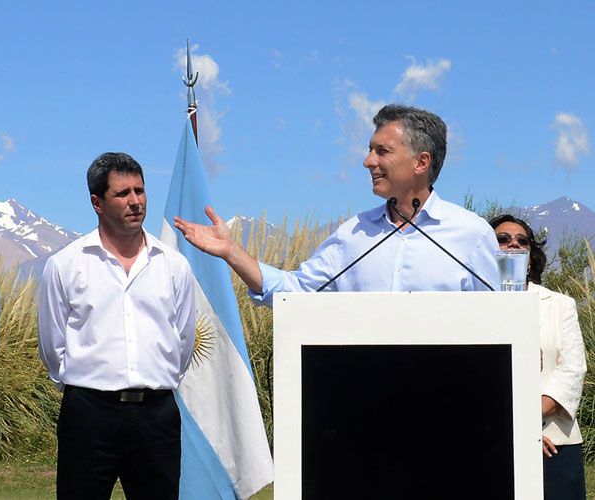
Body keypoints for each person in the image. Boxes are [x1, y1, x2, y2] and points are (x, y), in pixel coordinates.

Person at [174, 104, 500, 299]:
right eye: (370, 150)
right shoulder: (353, 234)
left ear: (421, 162)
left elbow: (500, 326)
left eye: (382, 151)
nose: (368, 161)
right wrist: (232, 252)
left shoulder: (471, 234)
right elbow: (296, 293)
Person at [38, 152, 196, 499]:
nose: (135, 201)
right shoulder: (65, 265)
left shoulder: (174, 265)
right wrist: (85, 383)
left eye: (140, 191)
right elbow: (52, 345)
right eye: (122, 193)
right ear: (97, 202)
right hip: (89, 415)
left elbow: (183, 341)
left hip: (157, 414)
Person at [490, 214, 586, 499]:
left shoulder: (559, 305)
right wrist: (512, 430)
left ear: (531, 257)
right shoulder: (472, 307)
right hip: (494, 440)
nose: (513, 246)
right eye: (503, 240)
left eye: (522, 241)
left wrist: (526, 421)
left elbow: (571, 371)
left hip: (555, 441)